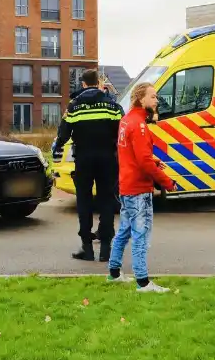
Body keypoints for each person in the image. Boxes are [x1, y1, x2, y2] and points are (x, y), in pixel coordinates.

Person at [108, 81, 177, 292]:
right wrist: (167, 182)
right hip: (138, 189)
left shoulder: (126, 121)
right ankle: (143, 282)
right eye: (154, 96)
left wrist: (153, 160)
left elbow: (132, 154)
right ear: (141, 99)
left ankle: (114, 273)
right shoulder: (139, 125)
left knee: (124, 231)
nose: (157, 101)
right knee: (141, 234)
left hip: (126, 185)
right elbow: (143, 162)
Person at [51, 69, 124, 262]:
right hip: (108, 158)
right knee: (106, 200)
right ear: (99, 82)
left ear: (83, 84)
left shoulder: (74, 106)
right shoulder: (112, 105)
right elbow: (122, 132)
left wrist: (57, 145)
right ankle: (107, 250)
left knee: (84, 201)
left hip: (83, 159)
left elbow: (63, 135)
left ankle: (87, 248)